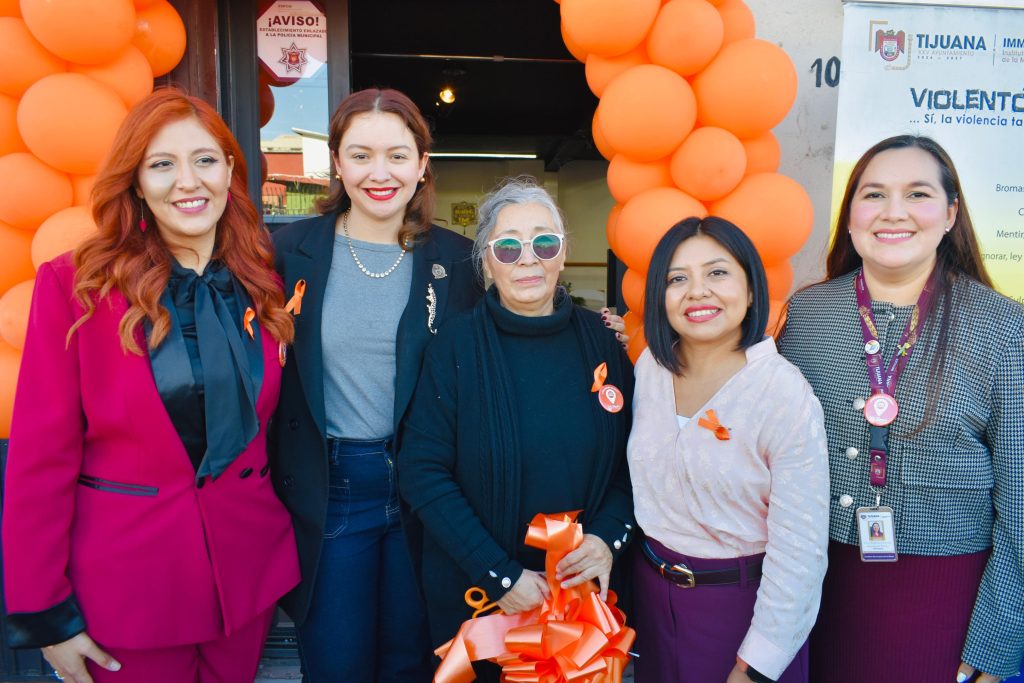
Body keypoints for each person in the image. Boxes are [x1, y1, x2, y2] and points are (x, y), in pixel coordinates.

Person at [1, 88, 298, 682]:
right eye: (162, 164)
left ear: (230, 170)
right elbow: (40, 459)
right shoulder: (76, 286)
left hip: (245, 581)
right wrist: (46, 615)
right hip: (127, 592)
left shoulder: (263, 279)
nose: (188, 181)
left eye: (204, 160)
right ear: (136, 182)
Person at [778, 135, 1024, 683]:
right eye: (873, 195)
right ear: (850, 217)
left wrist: (997, 640)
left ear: (950, 214)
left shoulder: (1003, 327)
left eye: (917, 194)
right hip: (812, 587)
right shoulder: (809, 314)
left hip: (945, 597)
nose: (893, 212)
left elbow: (1021, 501)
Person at [268, 88, 482, 681]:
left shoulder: (459, 261)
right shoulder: (286, 253)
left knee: (415, 663)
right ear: (337, 163)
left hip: (428, 490)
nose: (379, 173)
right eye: (361, 155)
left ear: (422, 164)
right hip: (334, 488)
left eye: (397, 155)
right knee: (337, 665)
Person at [398, 177, 635, 682]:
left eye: (543, 243)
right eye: (508, 247)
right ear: (487, 262)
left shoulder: (605, 344)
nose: (528, 259)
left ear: (563, 254)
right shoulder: (454, 347)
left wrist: (606, 539)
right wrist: (500, 575)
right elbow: (422, 472)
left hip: (581, 605)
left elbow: (634, 461)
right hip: (480, 600)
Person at [628, 217, 829, 683]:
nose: (697, 291)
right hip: (652, 600)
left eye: (717, 273)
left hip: (741, 610)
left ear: (752, 289)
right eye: (677, 279)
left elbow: (800, 550)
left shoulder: (781, 392)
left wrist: (757, 663)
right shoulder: (651, 369)